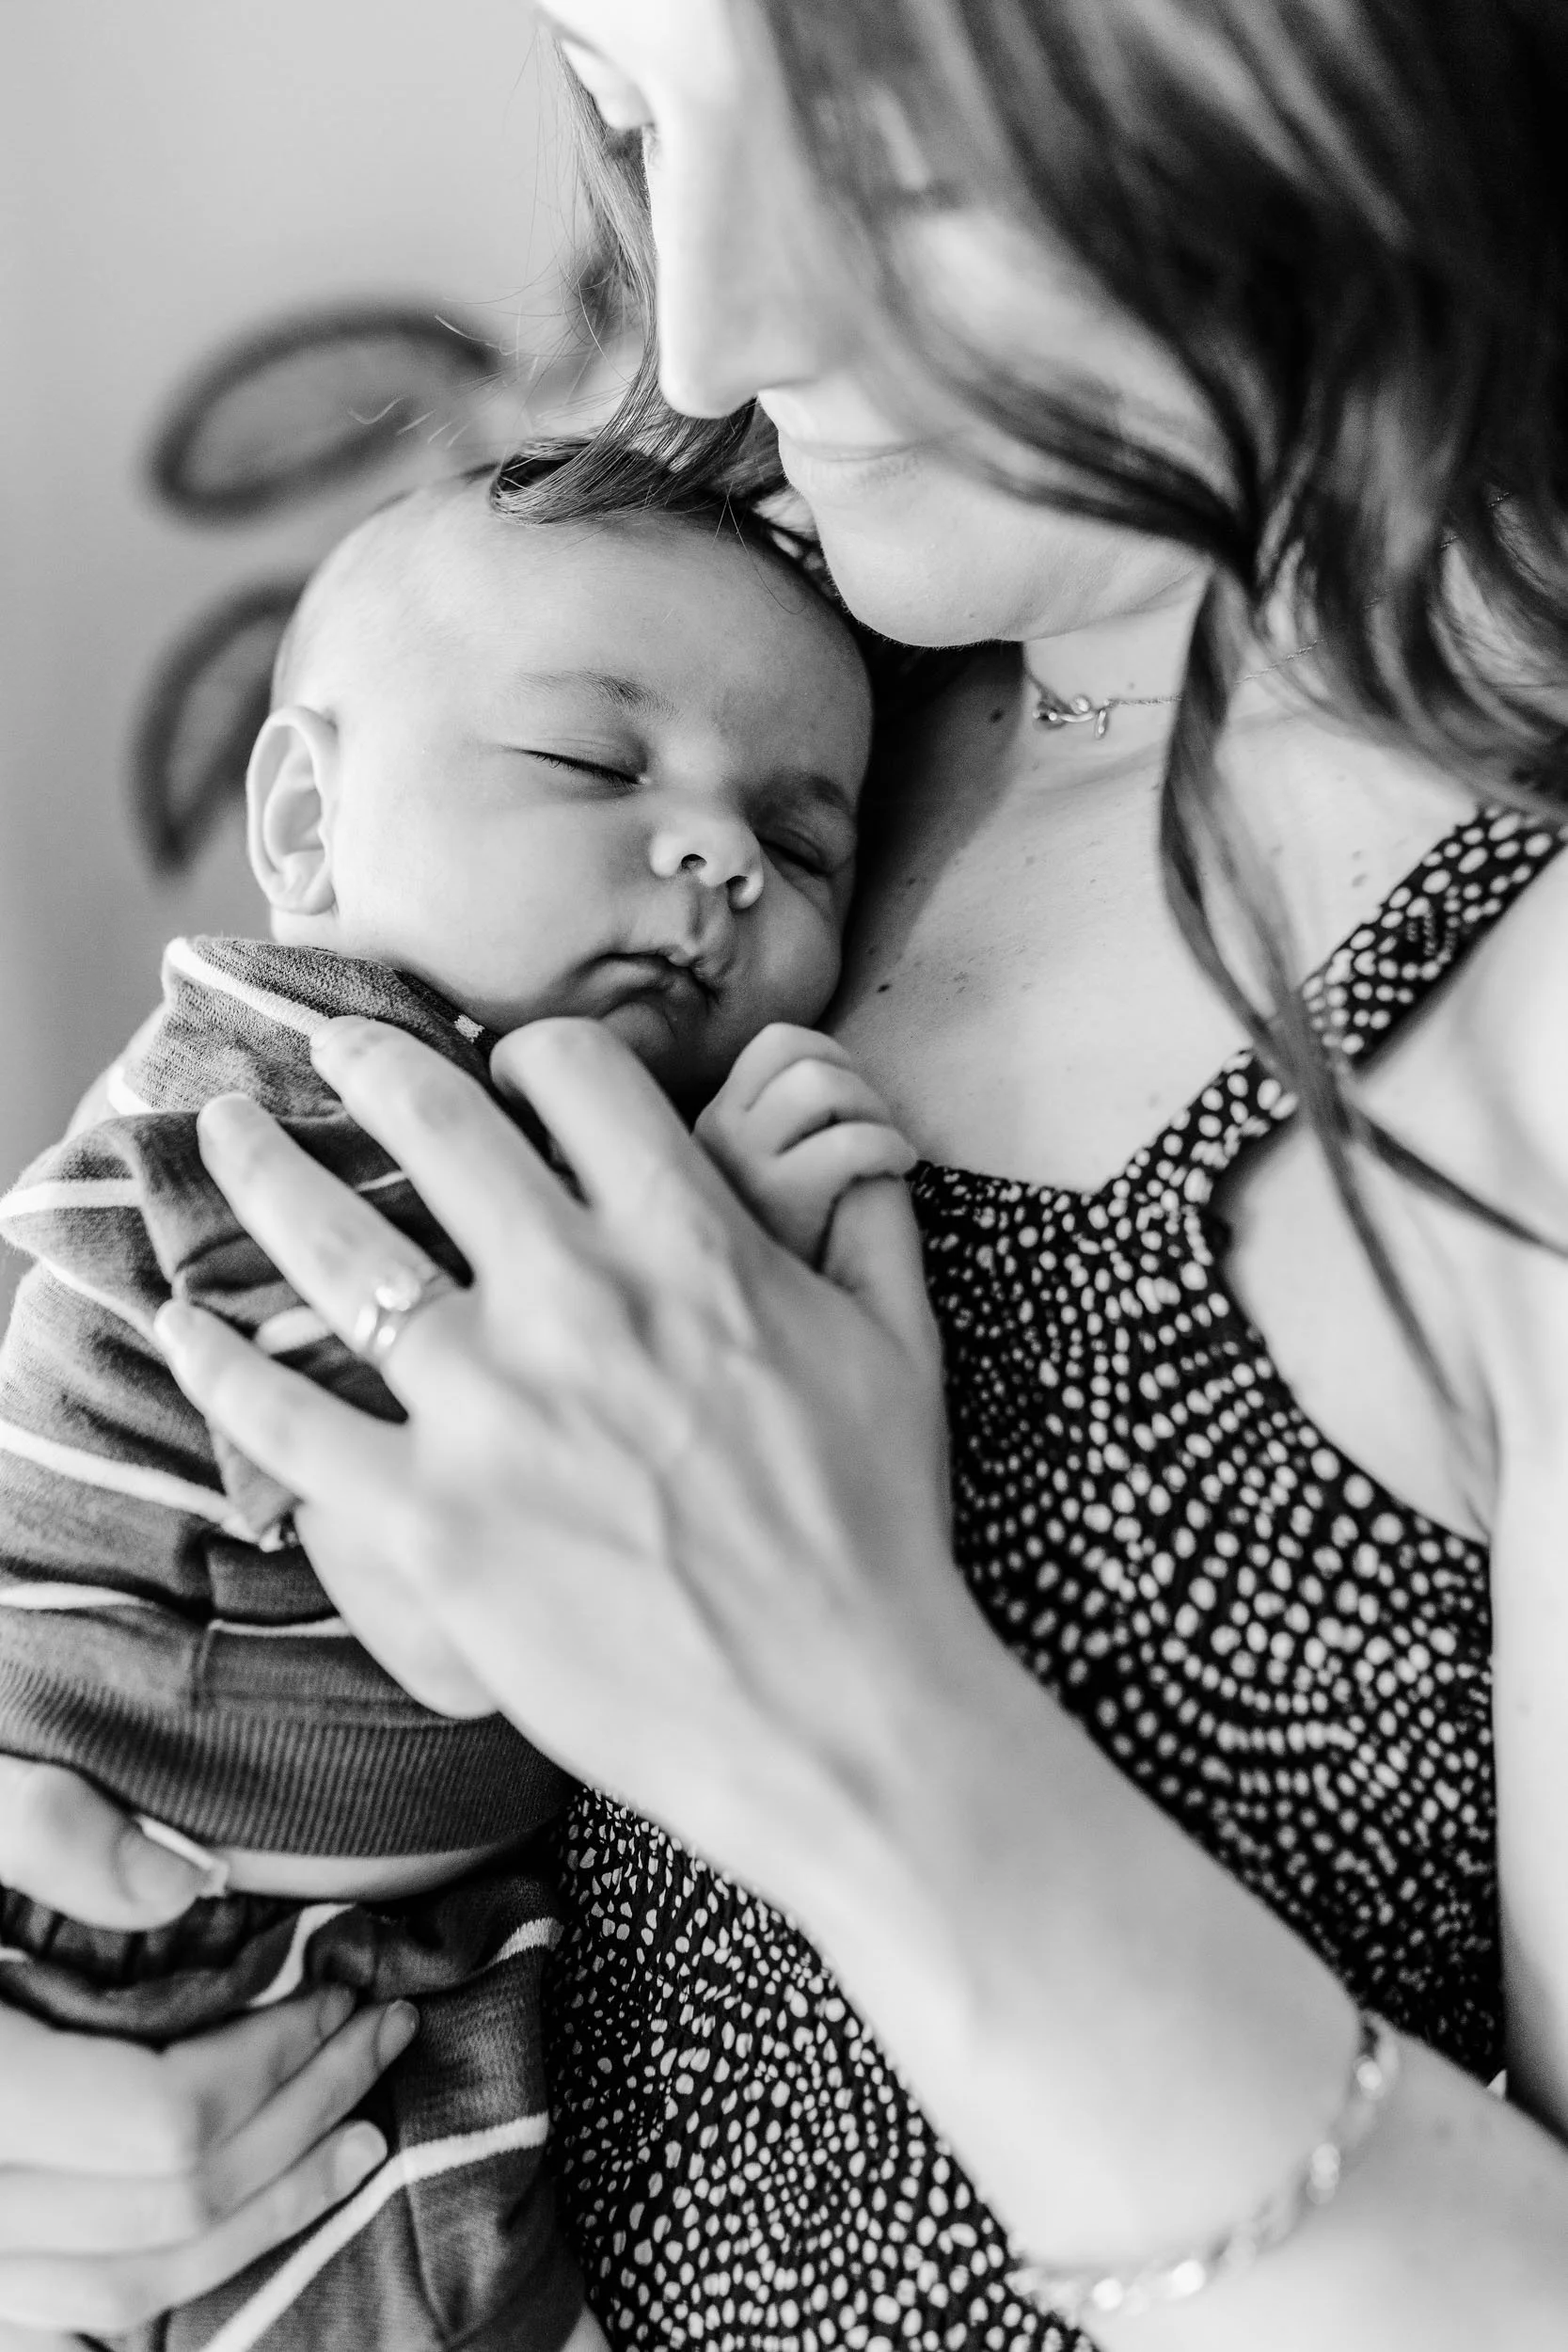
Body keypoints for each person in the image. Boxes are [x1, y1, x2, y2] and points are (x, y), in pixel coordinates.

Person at [8, 1, 1568, 2346]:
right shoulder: (753, 687)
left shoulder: (1510, 1008)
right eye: (633, 104)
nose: (713, 310)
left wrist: (851, 1713)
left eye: (872, 130)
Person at [0, 450, 912, 2352]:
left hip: (346, 1925)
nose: (718, 855)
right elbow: (475, 1574)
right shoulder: (270, 1104)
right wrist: (716, 1240)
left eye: (802, 843)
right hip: (146, 1920)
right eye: (597, 768)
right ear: (309, 813)